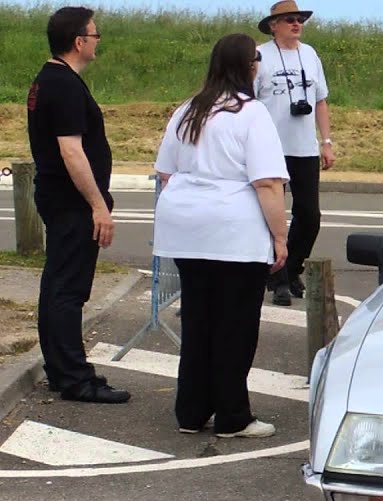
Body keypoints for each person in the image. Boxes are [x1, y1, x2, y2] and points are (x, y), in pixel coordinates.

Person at [153, 33, 290, 439]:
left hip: (186, 226)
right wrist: (280, 238)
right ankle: (233, 414)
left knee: (198, 318)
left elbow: (165, 171)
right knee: (235, 324)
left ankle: (191, 411)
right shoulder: (251, 113)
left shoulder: (188, 109)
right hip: (233, 230)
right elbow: (267, 183)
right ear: (250, 67)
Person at [26, 6, 129, 404]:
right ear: (78, 41)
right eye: (95, 34)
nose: (97, 40)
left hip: (58, 197)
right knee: (68, 290)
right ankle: (74, 378)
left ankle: (61, 368)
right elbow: (72, 152)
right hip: (71, 202)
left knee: (56, 285)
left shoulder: (48, 80)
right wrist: (98, 205)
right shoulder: (64, 85)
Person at [254, 0, 334, 307]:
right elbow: (248, 99)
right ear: (274, 25)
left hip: (304, 148)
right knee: (271, 215)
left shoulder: (310, 54)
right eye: (289, 19)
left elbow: (321, 100)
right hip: (270, 148)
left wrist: (326, 141)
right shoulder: (260, 55)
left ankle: (292, 266)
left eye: (299, 19)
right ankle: (278, 281)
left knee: (310, 215)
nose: (296, 23)